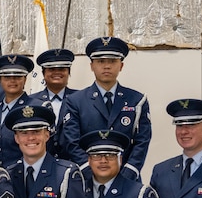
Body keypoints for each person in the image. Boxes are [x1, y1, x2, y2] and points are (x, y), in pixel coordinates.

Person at [59, 37, 150, 179]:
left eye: (112, 61)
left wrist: (130, 171)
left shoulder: (137, 100)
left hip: (126, 177)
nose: (106, 66)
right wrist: (88, 171)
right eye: (101, 61)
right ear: (91, 66)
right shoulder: (75, 101)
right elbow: (72, 142)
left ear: (121, 66)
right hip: (87, 179)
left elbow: (142, 140)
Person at [0, 54, 38, 167]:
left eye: (17, 76)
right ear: (0, 80)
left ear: (25, 79)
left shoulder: (36, 108)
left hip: (24, 176)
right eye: (7, 77)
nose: (12, 81)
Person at [30, 49, 77, 155]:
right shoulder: (31, 102)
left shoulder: (80, 99)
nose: (57, 72)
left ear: (68, 73)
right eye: (51, 69)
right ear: (43, 73)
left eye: (62, 69)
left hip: (74, 161)